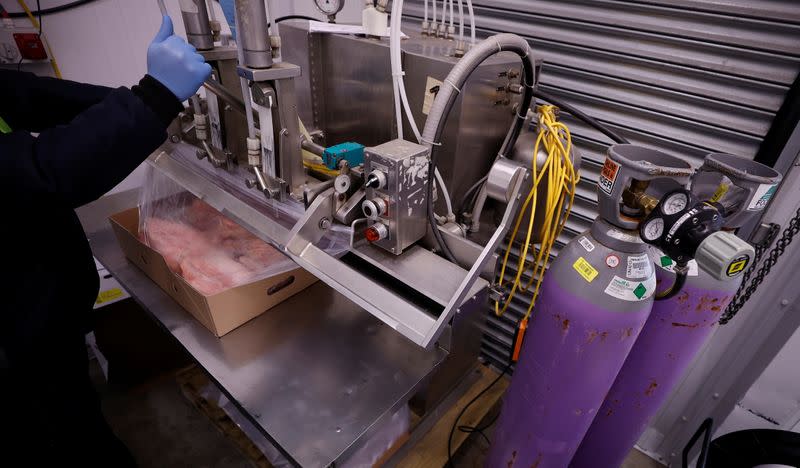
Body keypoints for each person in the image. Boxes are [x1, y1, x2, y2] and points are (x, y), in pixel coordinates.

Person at [0, 15, 210, 465]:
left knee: (73, 409)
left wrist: (146, 102)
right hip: (14, 339)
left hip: (46, 319)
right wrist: (156, 97)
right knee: (58, 438)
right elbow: (40, 173)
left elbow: (23, 96)